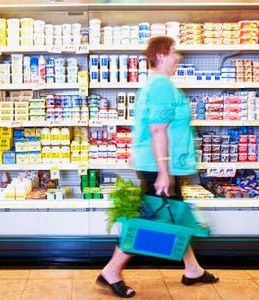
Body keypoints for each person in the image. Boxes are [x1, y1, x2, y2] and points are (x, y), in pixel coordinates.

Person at [96, 36, 219, 298]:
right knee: (150, 222)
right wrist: (163, 172)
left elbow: (146, 127)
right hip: (159, 166)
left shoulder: (154, 83)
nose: (179, 57)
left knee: (173, 216)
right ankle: (111, 271)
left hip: (157, 163)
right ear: (161, 55)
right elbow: (157, 129)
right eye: (175, 52)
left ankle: (193, 269)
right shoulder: (162, 84)